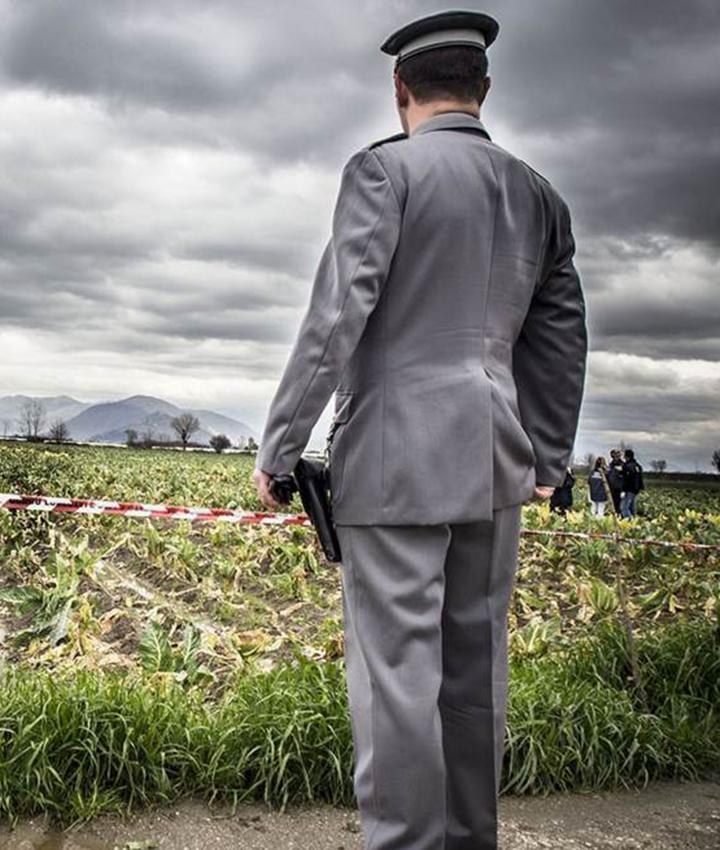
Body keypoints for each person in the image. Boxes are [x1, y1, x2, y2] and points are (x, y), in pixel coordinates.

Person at [251, 10, 587, 849]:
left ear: (399, 89)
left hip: (394, 467)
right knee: (475, 675)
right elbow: (560, 335)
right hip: (495, 466)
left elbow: (338, 317)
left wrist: (281, 443)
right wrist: (546, 456)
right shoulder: (539, 194)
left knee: (398, 681)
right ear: (483, 91)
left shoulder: (383, 174)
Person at [620, 448, 644, 518]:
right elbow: (639, 478)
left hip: (628, 490)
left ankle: (629, 521)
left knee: (624, 507)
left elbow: (626, 479)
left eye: (624, 456)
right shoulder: (637, 466)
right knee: (632, 507)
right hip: (635, 490)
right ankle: (634, 522)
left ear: (627, 457)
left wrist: (623, 490)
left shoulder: (627, 466)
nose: (624, 457)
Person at [606, 449, 625, 514]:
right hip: (612, 487)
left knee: (619, 503)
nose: (615, 457)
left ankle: (619, 514)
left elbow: (624, 476)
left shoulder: (622, 465)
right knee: (613, 502)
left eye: (617, 455)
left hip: (619, 488)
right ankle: (614, 514)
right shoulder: (611, 465)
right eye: (614, 456)